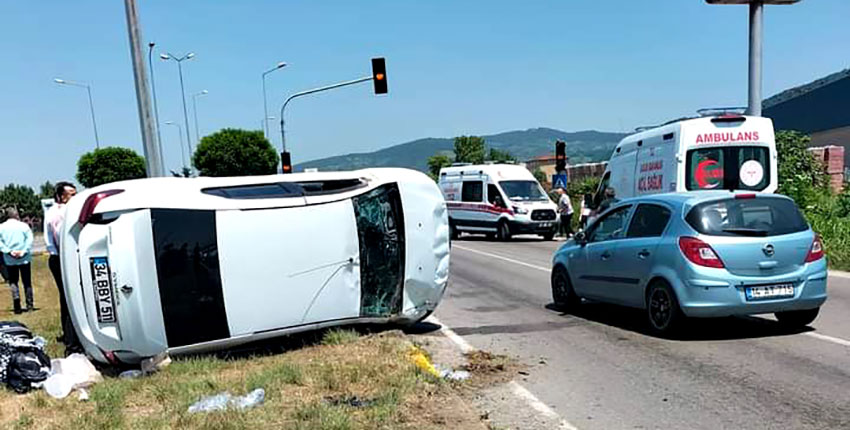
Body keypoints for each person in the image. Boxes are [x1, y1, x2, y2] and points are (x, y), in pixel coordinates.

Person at [44, 182, 83, 354]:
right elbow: (58, 237)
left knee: (67, 299)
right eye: (71, 194)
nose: (75, 197)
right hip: (62, 258)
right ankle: (72, 344)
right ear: (61, 197)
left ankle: (71, 337)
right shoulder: (61, 212)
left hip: (61, 256)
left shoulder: (56, 211)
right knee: (70, 299)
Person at [0, 207, 34, 314]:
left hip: (10, 259)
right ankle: (30, 304)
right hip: (24, 258)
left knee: (13, 282)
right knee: (27, 281)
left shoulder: (1, 227)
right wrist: (23, 251)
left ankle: (17, 304)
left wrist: (9, 251)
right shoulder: (23, 226)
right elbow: (29, 240)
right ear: (16, 215)